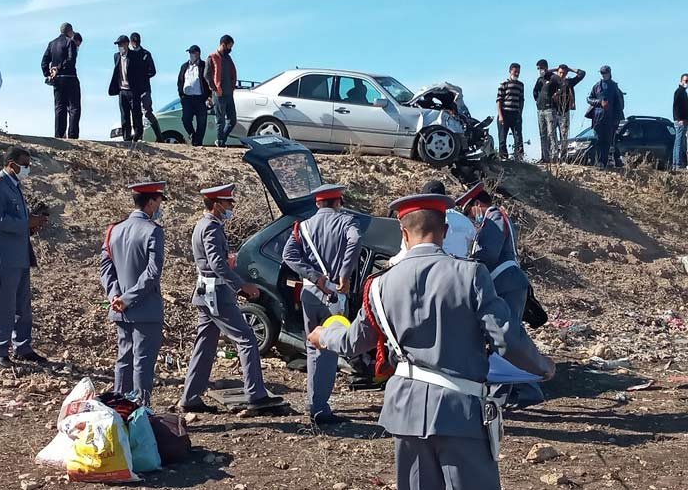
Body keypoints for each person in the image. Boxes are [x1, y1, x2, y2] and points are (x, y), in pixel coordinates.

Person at [307, 193, 555, 490]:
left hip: (405, 413)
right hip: (460, 412)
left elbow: (353, 342)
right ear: (445, 231)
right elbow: (507, 340)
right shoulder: (470, 275)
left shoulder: (379, 285)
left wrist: (324, 335)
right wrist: (542, 366)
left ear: (403, 233)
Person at [180, 184, 283, 412]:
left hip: (207, 293)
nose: (231, 207)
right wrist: (241, 285)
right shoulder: (211, 227)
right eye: (228, 203)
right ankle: (256, 395)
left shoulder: (203, 225)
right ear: (217, 204)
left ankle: (190, 397)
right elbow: (216, 263)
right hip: (217, 294)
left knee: (205, 345)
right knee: (246, 339)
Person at [457, 183, 543, 406]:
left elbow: (488, 253)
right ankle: (517, 388)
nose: (470, 218)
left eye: (469, 213)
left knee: (507, 336)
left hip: (507, 283)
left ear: (477, 204)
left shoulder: (494, 216)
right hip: (507, 283)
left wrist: (463, 263)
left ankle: (520, 390)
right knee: (507, 335)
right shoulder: (494, 218)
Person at [282, 184, 362, 425]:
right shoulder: (347, 223)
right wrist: (345, 275)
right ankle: (320, 408)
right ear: (338, 202)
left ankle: (314, 401)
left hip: (309, 292)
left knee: (313, 347)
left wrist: (315, 276)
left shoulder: (303, 226)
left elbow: (289, 255)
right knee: (328, 348)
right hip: (335, 294)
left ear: (317, 203)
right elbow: (356, 240)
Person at [100, 182, 168, 404]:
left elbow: (106, 269)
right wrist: (128, 299)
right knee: (143, 362)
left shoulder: (114, 230)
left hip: (121, 309)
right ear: (151, 202)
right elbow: (152, 273)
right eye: (159, 201)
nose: (159, 206)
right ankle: (140, 409)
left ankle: (119, 408)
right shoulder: (153, 231)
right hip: (145, 308)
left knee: (124, 359)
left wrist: (115, 297)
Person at [0, 146, 48, 368]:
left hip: (20, 255)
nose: (27, 169)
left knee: (23, 306)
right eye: (25, 165)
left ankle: (23, 347)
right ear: (12, 165)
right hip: (3, 257)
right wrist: (26, 223)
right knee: (4, 305)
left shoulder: (15, 186)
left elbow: (17, 219)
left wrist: (32, 224)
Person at [389, 180, 476, 264]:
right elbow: (472, 245)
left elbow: (406, 253)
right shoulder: (465, 221)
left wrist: (391, 263)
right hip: (459, 267)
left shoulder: (418, 221)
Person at [41, 23, 80, 139]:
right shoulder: (70, 42)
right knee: (74, 107)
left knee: (59, 107)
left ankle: (59, 135)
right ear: (70, 31)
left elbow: (44, 62)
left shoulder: (52, 44)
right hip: (70, 77)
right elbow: (71, 59)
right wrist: (59, 67)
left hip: (57, 80)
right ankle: (72, 135)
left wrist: (48, 74)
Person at [108, 35, 146, 141]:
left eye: (121, 44)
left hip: (133, 90)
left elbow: (140, 73)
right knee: (124, 115)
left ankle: (138, 135)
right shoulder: (116, 56)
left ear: (127, 44)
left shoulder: (134, 56)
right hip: (122, 90)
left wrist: (140, 89)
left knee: (136, 114)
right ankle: (126, 138)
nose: (120, 46)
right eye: (118, 45)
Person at [587, 65, 625, 167]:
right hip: (597, 118)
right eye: (602, 73)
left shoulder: (614, 87)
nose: (603, 75)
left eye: (605, 73)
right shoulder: (596, 86)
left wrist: (617, 118)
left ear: (609, 73)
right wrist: (599, 102)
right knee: (598, 140)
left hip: (610, 118)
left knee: (607, 141)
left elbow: (620, 105)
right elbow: (589, 99)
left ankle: (603, 162)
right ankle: (598, 162)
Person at [204, 35, 237, 147]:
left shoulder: (228, 58)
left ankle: (221, 139)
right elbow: (207, 75)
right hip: (218, 94)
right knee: (220, 120)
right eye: (229, 46)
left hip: (229, 93)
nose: (230, 49)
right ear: (223, 44)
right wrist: (214, 89)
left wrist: (232, 87)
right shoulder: (212, 57)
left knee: (232, 120)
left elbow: (232, 73)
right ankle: (221, 142)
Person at [178, 45, 211, 146]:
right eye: (190, 53)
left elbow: (209, 81)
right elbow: (180, 81)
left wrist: (209, 96)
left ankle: (198, 142)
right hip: (187, 98)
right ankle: (193, 135)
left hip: (200, 98)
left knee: (202, 121)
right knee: (186, 119)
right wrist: (181, 95)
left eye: (192, 53)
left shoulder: (204, 65)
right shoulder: (184, 66)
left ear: (198, 53)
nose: (191, 55)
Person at [129, 32, 159, 138]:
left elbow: (153, 71)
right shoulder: (129, 54)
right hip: (133, 89)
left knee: (147, 111)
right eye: (134, 41)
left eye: (137, 41)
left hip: (145, 88)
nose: (135, 43)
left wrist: (143, 77)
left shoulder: (146, 53)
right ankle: (138, 135)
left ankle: (159, 136)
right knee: (135, 112)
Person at [553, 64, 585, 158]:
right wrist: (555, 69)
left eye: (564, 73)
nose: (562, 75)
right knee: (552, 135)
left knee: (564, 136)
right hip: (553, 111)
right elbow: (545, 73)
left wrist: (570, 69)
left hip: (564, 112)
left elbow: (582, 74)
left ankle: (563, 157)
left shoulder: (569, 82)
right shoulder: (552, 81)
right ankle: (554, 156)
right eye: (560, 72)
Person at [533, 59, 562, 163]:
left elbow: (563, 85)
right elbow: (535, 91)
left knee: (551, 133)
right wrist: (538, 101)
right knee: (543, 134)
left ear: (545, 67)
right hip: (540, 110)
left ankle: (554, 156)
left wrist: (557, 94)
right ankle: (544, 157)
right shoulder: (540, 79)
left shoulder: (553, 77)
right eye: (538, 69)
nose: (540, 70)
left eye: (541, 68)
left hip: (550, 109)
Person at [496, 62, 525, 161]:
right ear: (510, 71)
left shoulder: (521, 85)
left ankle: (519, 156)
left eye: (518, 72)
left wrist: (520, 113)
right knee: (502, 137)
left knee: (518, 136)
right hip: (505, 113)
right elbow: (499, 100)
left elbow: (521, 100)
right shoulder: (504, 84)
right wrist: (500, 115)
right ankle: (503, 157)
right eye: (515, 71)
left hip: (515, 114)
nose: (517, 73)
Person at [672, 73, 688, 171]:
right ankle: (677, 164)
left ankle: (675, 163)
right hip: (680, 121)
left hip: (683, 120)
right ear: (681, 81)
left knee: (678, 142)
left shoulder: (683, 93)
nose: (687, 83)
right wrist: (679, 119)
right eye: (685, 81)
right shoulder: (679, 92)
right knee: (679, 142)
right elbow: (676, 107)